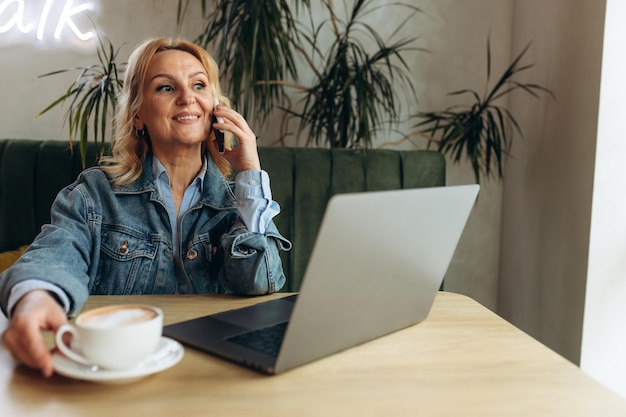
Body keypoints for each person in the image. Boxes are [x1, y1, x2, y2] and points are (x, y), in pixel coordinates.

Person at [0, 37, 291, 377]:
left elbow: (261, 283)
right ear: (138, 115)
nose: (187, 97)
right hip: (121, 370)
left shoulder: (238, 202)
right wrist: (35, 301)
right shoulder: (95, 194)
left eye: (199, 85)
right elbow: (54, 255)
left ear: (215, 106)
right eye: (166, 88)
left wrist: (250, 174)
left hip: (214, 372)